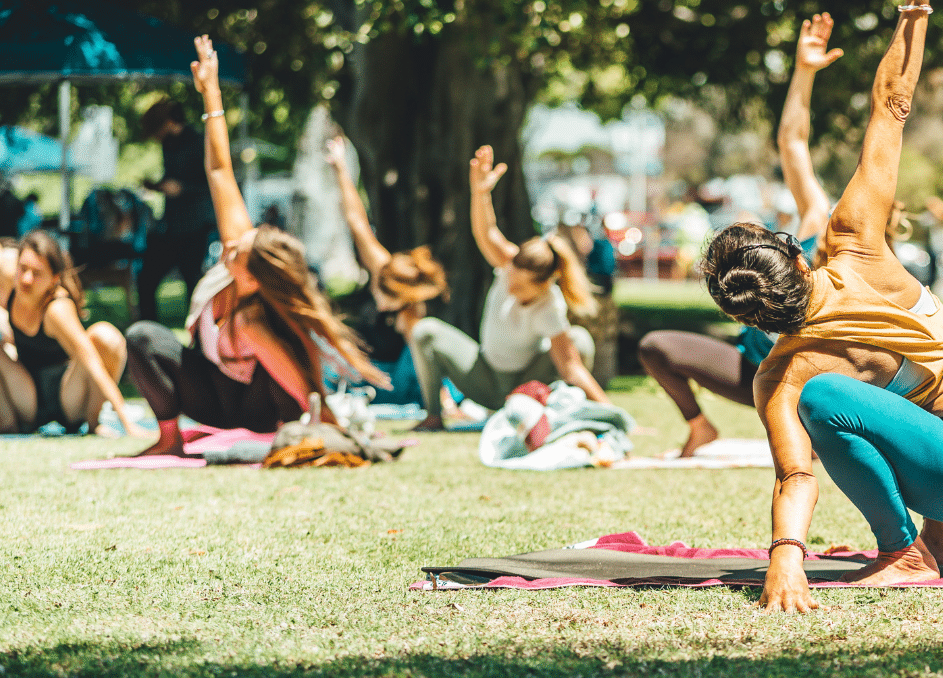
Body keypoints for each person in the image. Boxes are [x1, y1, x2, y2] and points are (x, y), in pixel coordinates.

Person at [702, 0, 943, 611]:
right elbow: (891, 105)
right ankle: (934, 542)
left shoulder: (779, 373)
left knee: (830, 398)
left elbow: (795, 476)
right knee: (862, 393)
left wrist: (783, 560)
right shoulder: (852, 246)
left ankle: (900, 552)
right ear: (792, 250)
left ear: (743, 313)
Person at [125, 35, 387, 457]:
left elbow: (300, 382)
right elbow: (218, 168)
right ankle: (169, 439)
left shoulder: (255, 321)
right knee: (142, 336)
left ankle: (287, 430)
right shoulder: (238, 250)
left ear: (258, 277)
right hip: (210, 397)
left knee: (280, 365)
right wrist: (210, 92)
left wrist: (339, 431)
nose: (228, 252)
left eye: (238, 256)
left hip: (257, 407)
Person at [639, 10, 841, 457]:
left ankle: (811, 433)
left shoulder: (852, 272)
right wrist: (804, 72)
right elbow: (792, 143)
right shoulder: (810, 230)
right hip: (752, 370)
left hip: (812, 391)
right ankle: (699, 427)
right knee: (656, 347)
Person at [409, 145, 608, 431]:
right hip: (484, 378)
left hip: (526, 386)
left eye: (521, 287)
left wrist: (610, 412)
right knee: (424, 330)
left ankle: (569, 416)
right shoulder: (510, 263)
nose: (511, 289)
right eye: (510, 279)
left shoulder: (550, 306)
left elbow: (571, 367)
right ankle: (433, 416)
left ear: (544, 285)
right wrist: (480, 193)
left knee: (579, 340)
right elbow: (486, 232)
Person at [325, 135, 449, 405]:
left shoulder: (411, 311)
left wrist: (442, 404)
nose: (381, 303)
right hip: (370, 370)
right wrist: (341, 169)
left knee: (416, 350)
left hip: (397, 380)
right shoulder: (382, 266)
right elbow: (357, 220)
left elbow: (424, 362)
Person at [0, 230, 140, 437]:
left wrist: (127, 423)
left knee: (106, 336)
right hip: (27, 397)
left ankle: (94, 423)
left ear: (54, 278)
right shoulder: (11, 286)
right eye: (23, 269)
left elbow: (92, 363)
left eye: (37, 273)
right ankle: (7, 424)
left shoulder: (57, 309)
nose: (27, 279)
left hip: (67, 399)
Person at [137, 98, 218, 322]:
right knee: (146, 279)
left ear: (169, 122)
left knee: (194, 283)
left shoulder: (198, 142)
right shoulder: (168, 145)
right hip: (172, 227)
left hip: (196, 227)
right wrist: (157, 186)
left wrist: (183, 188)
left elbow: (210, 183)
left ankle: (201, 338)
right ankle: (147, 332)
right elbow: (172, 178)